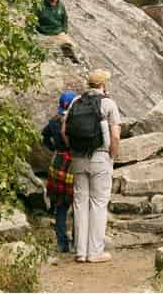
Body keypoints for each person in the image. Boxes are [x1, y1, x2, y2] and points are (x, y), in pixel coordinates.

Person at [64, 68, 120, 264]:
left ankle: (80, 252)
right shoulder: (108, 104)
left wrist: (73, 151)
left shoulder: (74, 103)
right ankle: (95, 252)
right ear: (103, 85)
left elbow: (65, 131)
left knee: (80, 204)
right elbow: (115, 135)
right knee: (98, 204)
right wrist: (112, 155)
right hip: (100, 158)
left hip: (77, 158)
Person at [41, 90, 77, 254]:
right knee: (78, 203)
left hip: (57, 162)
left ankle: (62, 243)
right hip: (72, 163)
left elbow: (44, 137)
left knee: (60, 204)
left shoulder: (54, 121)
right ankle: (78, 240)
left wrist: (54, 148)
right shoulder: (74, 121)